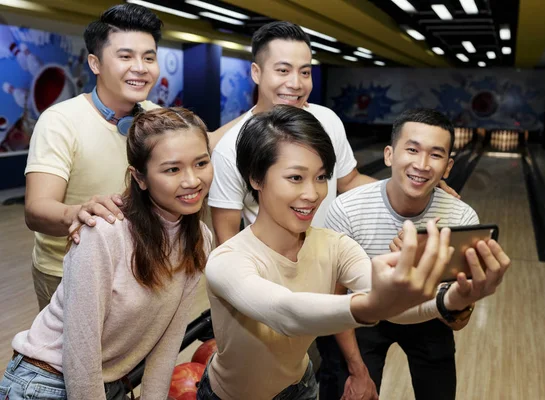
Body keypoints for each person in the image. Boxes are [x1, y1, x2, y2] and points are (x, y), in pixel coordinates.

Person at [196, 105, 510, 400]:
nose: (312, 194)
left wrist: (453, 300)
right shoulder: (227, 260)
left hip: (302, 387)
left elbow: (391, 306)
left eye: (320, 177)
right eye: (295, 177)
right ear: (256, 178)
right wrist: (372, 305)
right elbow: (285, 314)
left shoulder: (334, 244)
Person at [0, 107, 214, 399]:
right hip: (46, 382)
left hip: (106, 383)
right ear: (139, 178)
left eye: (201, 163)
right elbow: (80, 350)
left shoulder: (200, 238)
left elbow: (168, 341)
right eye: (172, 169)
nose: (192, 180)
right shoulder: (105, 231)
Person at [317, 108, 509, 400]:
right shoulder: (347, 210)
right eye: (412, 149)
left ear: (448, 167)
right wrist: (357, 371)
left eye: (435, 154)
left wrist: (457, 294)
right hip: (363, 314)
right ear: (389, 155)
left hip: (429, 317)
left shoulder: (461, 218)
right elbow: (334, 301)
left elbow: (458, 321)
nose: (422, 164)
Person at [23, 3, 163, 310]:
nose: (140, 67)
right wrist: (77, 214)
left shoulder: (155, 117)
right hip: (70, 270)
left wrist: (259, 110)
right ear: (95, 63)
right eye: (125, 56)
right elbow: (36, 209)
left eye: (149, 57)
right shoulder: (60, 120)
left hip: (135, 266)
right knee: (72, 360)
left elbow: (204, 144)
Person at [208, 21, 377, 246]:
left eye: (305, 72)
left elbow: (350, 181)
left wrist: (406, 189)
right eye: (283, 71)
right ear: (256, 73)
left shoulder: (328, 120)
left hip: (328, 265)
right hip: (269, 271)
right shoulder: (231, 148)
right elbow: (226, 239)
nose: (296, 83)